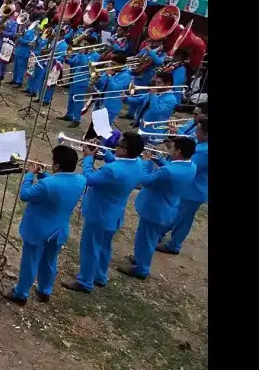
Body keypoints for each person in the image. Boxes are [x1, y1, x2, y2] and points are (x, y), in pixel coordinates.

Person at [60, 131, 146, 293]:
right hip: (114, 214)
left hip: (99, 214)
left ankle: (85, 282)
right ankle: (100, 275)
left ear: (125, 150)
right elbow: (119, 165)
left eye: (118, 145)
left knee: (90, 248)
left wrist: (88, 158)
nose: (115, 147)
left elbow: (88, 179)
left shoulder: (113, 170)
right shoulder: (138, 163)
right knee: (104, 246)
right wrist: (105, 153)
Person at [3, 146, 86, 306]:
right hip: (59, 229)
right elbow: (59, 185)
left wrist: (29, 175)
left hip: (38, 230)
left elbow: (25, 195)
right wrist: (41, 174)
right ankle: (45, 291)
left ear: (56, 166)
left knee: (30, 262)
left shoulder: (48, 184)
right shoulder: (80, 180)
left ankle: (20, 293)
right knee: (50, 261)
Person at [117, 136, 197, 280]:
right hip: (168, 206)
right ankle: (140, 259)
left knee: (145, 238)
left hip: (155, 208)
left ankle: (142, 269)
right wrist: (159, 160)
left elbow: (145, 180)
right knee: (149, 238)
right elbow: (170, 171)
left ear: (178, 151)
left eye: (172, 147)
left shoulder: (169, 171)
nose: (170, 149)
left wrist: (146, 163)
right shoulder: (191, 166)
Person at [157, 116, 208, 255]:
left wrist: (164, 160)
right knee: (176, 213)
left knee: (183, 219)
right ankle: (160, 235)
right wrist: (175, 136)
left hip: (194, 190)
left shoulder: (204, 151)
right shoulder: (202, 142)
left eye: (198, 131)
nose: (195, 134)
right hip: (190, 187)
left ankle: (174, 245)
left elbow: (186, 168)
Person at [60, 42, 102, 127]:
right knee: (71, 99)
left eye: (86, 44)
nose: (82, 46)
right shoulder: (83, 54)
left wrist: (81, 54)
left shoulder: (95, 55)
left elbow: (85, 65)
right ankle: (69, 115)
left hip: (82, 81)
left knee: (78, 101)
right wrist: (67, 59)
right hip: (75, 79)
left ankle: (77, 119)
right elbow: (74, 63)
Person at [11, 23, 36, 87]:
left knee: (21, 68)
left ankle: (19, 82)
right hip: (18, 50)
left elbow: (30, 42)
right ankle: (14, 79)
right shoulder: (22, 30)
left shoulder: (31, 32)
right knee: (15, 66)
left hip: (24, 52)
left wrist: (20, 39)